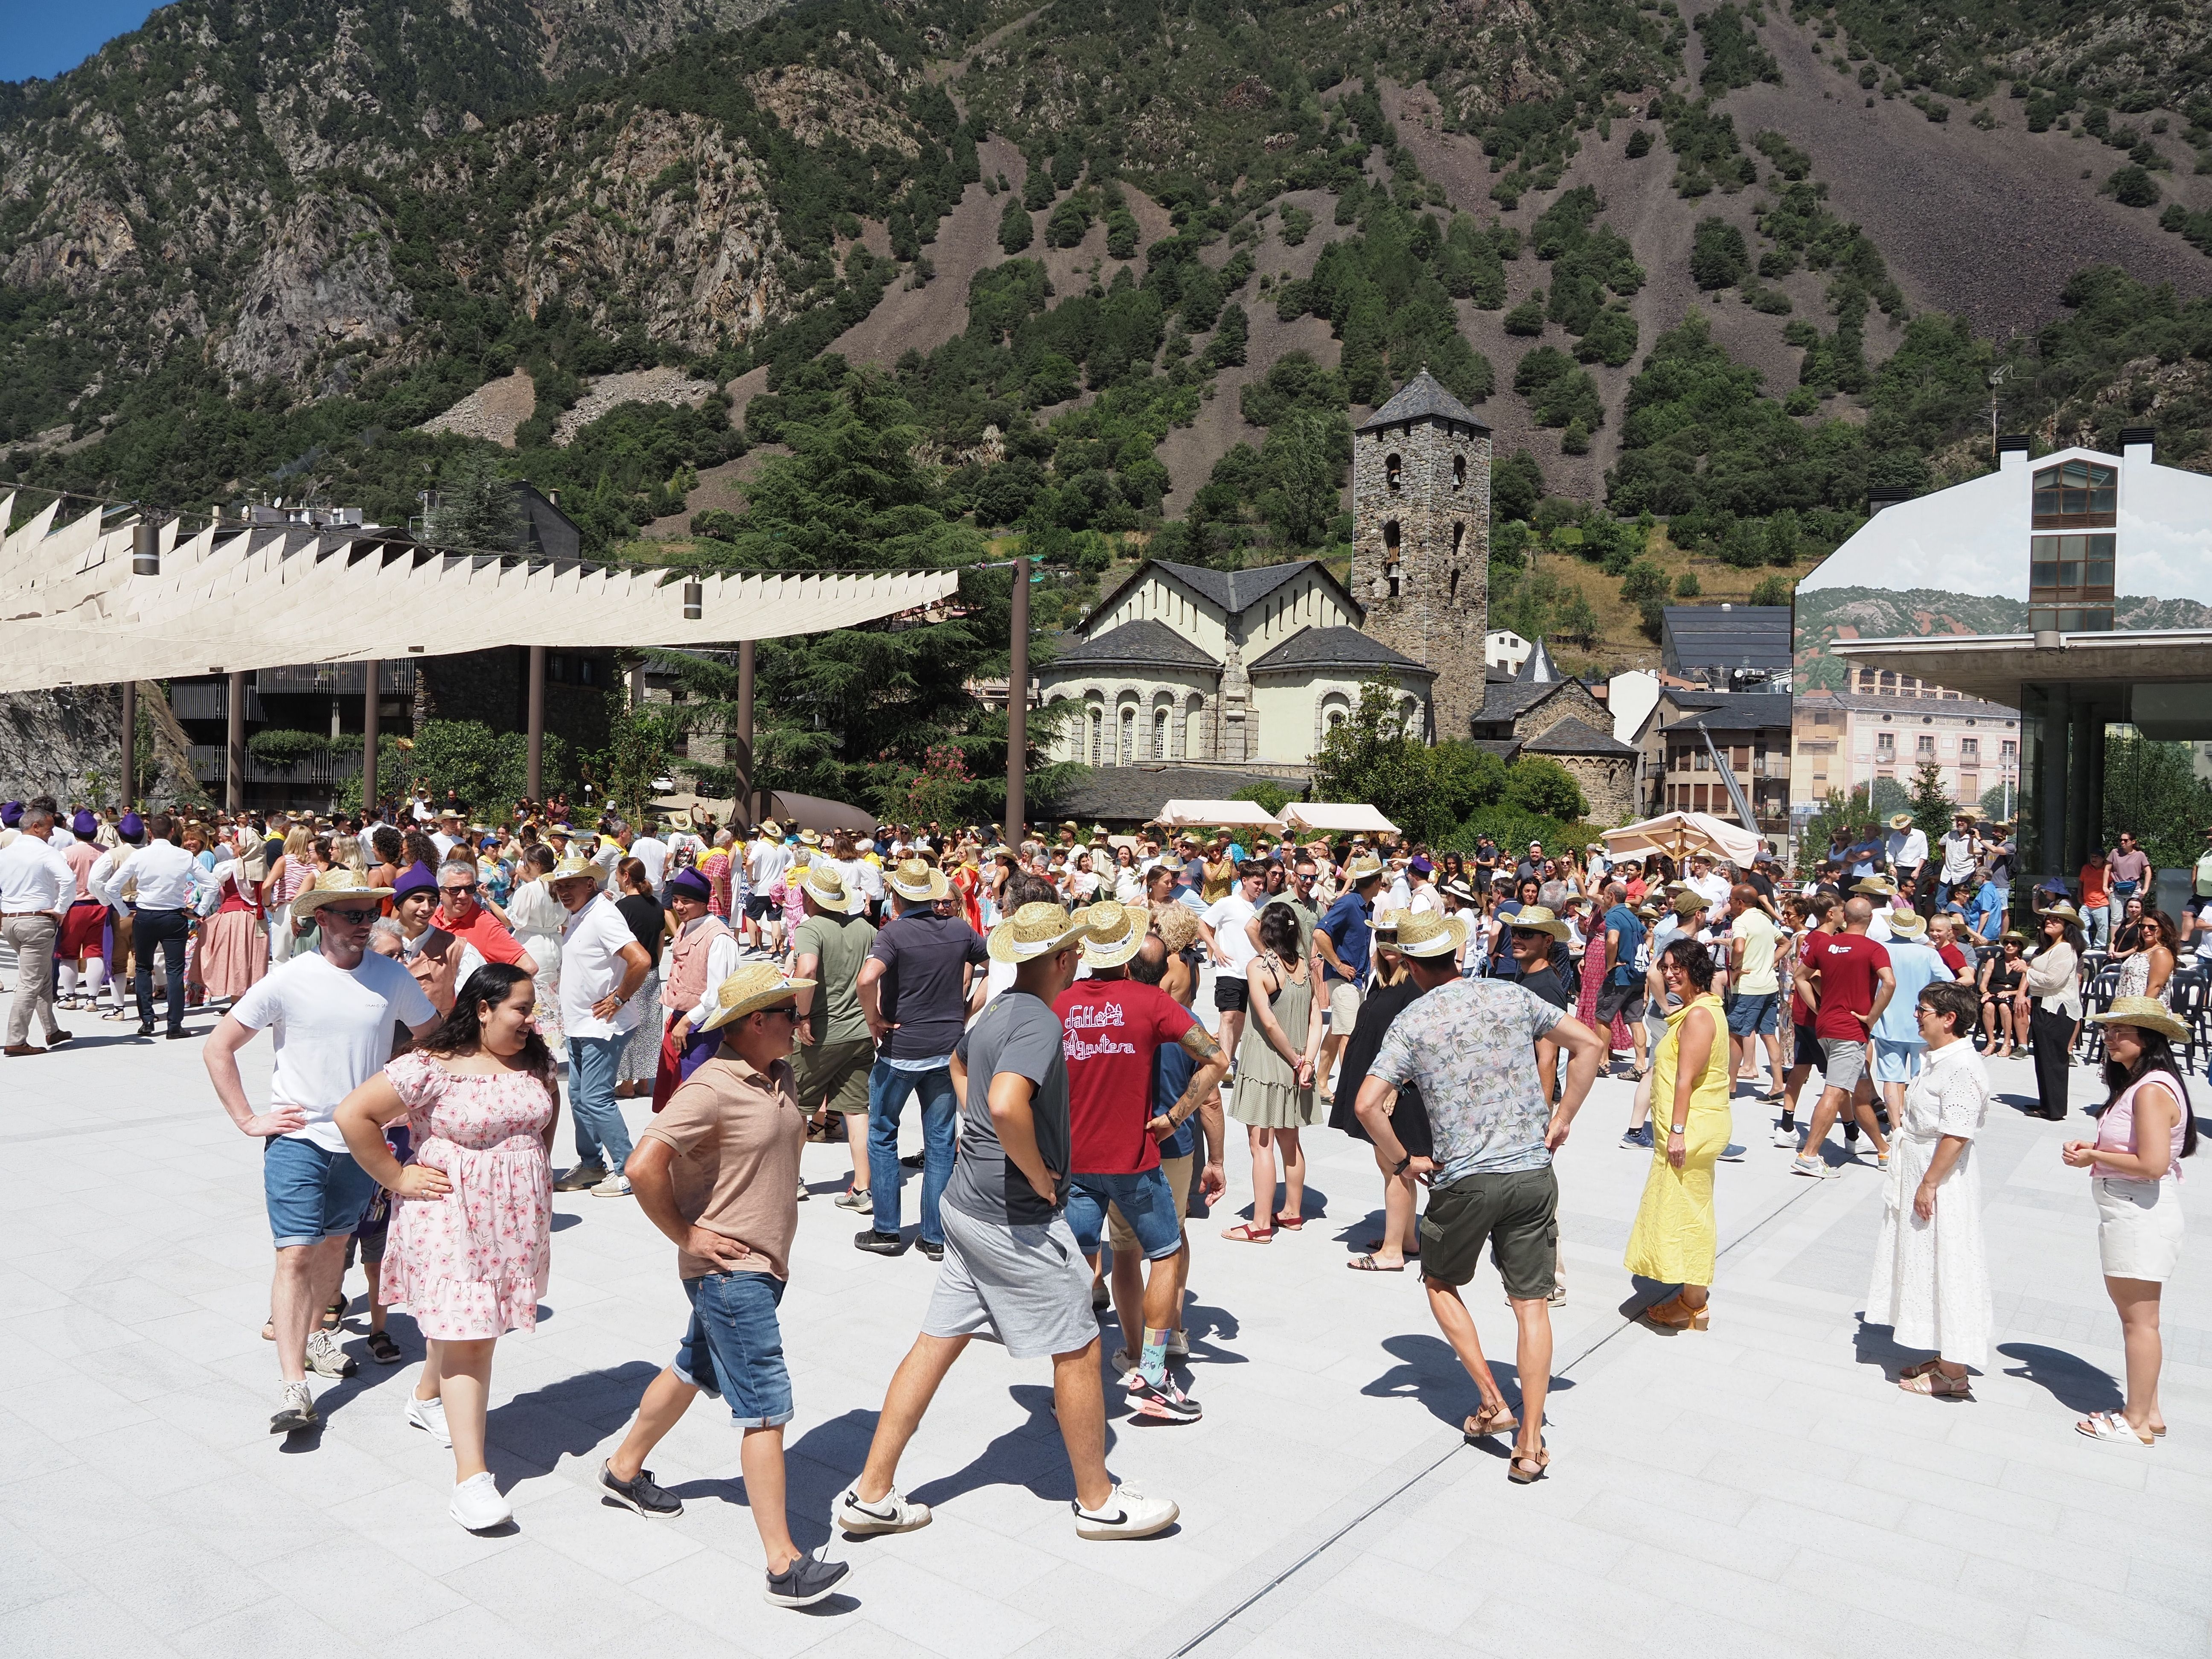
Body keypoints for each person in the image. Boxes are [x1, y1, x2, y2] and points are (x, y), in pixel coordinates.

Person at [834, 902, 1179, 1542]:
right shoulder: (1041, 1023)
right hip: (1014, 1216)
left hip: (966, 1206)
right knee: (1079, 1346)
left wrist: (977, 1134)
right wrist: (1038, 1172)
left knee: (936, 1341)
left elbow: (961, 1066)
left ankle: (871, 1492)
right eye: (1071, 950)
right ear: (1058, 959)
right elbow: (1005, 1100)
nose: (1077, 957)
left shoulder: (997, 1010)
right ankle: (1098, 1502)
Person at [598, 963, 850, 1605]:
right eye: (789, 1015)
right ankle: (784, 1564)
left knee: (692, 1368)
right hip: (729, 1273)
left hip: (764, 1267)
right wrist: (686, 1235)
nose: (801, 1023)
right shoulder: (710, 1088)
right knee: (767, 1403)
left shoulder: (780, 1074)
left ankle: (623, 1470)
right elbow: (643, 1164)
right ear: (755, 1023)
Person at [1354, 908, 1604, 1481]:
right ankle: (1532, 1442)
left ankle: (1492, 1401)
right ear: (1458, 955)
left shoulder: (1413, 1022)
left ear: (1412, 965)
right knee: (1531, 1305)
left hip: (1464, 1178)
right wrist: (1563, 1116)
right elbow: (1588, 1043)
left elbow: (1368, 1105)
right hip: (1530, 1171)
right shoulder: (1512, 998)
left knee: (1440, 1281)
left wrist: (1402, 1160)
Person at [204, 869, 440, 1433]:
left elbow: (433, 1037)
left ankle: (316, 1338)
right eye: (353, 915)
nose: (366, 925)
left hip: (362, 1143)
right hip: (298, 1139)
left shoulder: (392, 976)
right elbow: (219, 1048)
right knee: (296, 1255)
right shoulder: (289, 979)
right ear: (322, 919)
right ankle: (294, 1387)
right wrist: (248, 1119)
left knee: (336, 1246)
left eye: (371, 915)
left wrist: (403, 1094)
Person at [332, 963, 557, 1530]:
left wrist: (530, 1169)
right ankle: (471, 1480)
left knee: (473, 1324)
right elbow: (352, 1114)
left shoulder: (533, 1058)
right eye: (522, 1009)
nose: (532, 1020)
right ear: (483, 1008)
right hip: (451, 1218)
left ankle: (427, 1397)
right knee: (474, 1338)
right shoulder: (431, 1066)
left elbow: (543, 1118)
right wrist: (396, 1176)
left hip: (513, 1222)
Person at [1054, 901, 1228, 1420]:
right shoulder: (1150, 1003)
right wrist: (1176, 1117)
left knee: (1078, 1272)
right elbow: (1216, 1058)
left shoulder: (1060, 1005)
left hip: (1075, 1164)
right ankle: (1153, 1377)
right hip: (1133, 1162)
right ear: (1129, 953)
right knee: (1167, 1255)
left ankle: (1070, 1388)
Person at [2070, 996, 2199, 1447]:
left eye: (2121, 1031)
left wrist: (2094, 1155)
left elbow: (2152, 1163)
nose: (2109, 1037)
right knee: (2140, 1319)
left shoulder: (2149, 1089)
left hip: (2137, 1210)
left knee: (2139, 1323)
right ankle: (2152, 1412)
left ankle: (2136, 1421)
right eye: (2108, 1029)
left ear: (2148, 1038)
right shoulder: (2148, 1083)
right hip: (2133, 1208)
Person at [1863, 979, 1993, 1400]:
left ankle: (1955, 1371)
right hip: (1923, 1169)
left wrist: (1929, 1183)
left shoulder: (1962, 1067)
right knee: (1926, 1262)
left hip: (1943, 1181)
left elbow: (1957, 1134)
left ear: (1949, 1019)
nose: (1917, 1016)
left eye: (1924, 1010)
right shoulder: (1937, 1059)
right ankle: (1944, 1354)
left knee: (1948, 1261)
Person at [855, 859, 989, 1257]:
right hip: (947, 1049)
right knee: (941, 1141)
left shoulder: (893, 933)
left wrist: (874, 1019)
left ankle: (887, 1230)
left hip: (902, 1050)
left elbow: (866, 979)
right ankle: (934, 1236)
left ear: (897, 896)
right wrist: (968, 1009)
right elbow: (997, 964)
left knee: (881, 1134)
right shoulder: (961, 930)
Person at [1121, 917, 1228, 1353]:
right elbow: (1212, 1100)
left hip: (1129, 1147)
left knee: (1126, 1250)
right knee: (1174, 1238)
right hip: (1178, 1147)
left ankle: (1134, 1348)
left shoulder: (1117, 1016)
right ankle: (1174, 1332)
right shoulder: (1185, 1021)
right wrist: (1217, 1160)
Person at [1624, 937, 1729, 1332]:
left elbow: (1686, 1079)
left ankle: (1694, 1305)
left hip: (1692, 1129)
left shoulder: (1700, 1017)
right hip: (1689, 1126)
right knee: (1684, 1211)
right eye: (1666, 967)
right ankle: (1690, 1297)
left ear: (1696, 970)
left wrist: (1679, 1132)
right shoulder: (1697, 1010)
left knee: (1692, 1216)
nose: (1669, 973)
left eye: (1677, 967)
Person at [549, 853, 654, 1197]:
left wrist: (620, 998)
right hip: (582, 1025)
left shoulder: (603, 916)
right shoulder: (582, 914)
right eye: (559, 886)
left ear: (590, 884)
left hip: (602, 1027)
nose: (563, 891)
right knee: (579, 1096)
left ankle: (628, 1169)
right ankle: (593, 1165)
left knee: (594, 1098)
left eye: (570, 885)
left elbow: (641, 960)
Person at [1221, 903, 1324, 1241]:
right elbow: (1315, 1018)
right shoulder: (1307, 971)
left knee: (1260, 1144)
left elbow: (1267, 1020)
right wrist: (1308, 1060)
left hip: (1268, 1063)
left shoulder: (1259, 967)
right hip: (1298, 1065)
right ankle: (1293, 1213)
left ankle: (1261, 1223)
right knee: (1290, 1141)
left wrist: (1296, 1061)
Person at [1331, 923, 1431, 1272]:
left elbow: (1419, 1044)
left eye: (1396, 938)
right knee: (1393, 1169)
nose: (1388, 944)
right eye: (1383, 936)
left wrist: (1392, 1087)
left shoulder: (1414, 985)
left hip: (1395, 1092)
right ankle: (1405, 1239)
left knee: (1395, 1169)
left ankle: (1392, 1253)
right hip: (1375, 1084)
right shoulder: (1382, 979)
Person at [787, 863, 877, 1205]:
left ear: (809, 896)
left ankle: (790, 1179)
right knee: (857, 1111)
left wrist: (804, 1015)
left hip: (823, 1032)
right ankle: (862, 1187)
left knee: (797, 1107)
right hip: (860, 1032)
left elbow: (807, 968)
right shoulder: (865, 929)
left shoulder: (811, 928)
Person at [1791, 897, 1894, 1176]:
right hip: (1850, 1031)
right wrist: (1872, 1017)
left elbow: (1800, 976)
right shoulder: (1874, 949)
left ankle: (1883, 1149)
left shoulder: (1825, 945)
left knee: (1859, 1091)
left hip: (1826, 1027)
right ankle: (1809, 1155)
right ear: (1871, 920)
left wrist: (1818, 1007)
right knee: (1836, 1091)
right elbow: (1890, 982)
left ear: (1845, 917)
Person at [0, 803, 76, 1056]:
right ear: (36, 827)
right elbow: (68, 880)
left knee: (42, 976)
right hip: (37, 921)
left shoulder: (6, 852)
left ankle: (51, 1029)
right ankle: (16, 1039)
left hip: (11, 921)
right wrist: (62, 909)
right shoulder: (46, 852)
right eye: (49, 829)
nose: (52, 834)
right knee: (30, 982)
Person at [1870, 910, 1954, 1122]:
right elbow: (1949, 982)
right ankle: (1915, 1120)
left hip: (1887, 1023)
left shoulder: (1879, 950)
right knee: (1919, 1078)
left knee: (1890, 1078)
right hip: (1921, 1024)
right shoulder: (1928, 954)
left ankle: (1896, 1125)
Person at [1313, 851, 1384, 1101]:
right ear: (1375, 881)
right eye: (1380, 880)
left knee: (1336, 1033)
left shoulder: (1366, 906)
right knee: (1349, 1036)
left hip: (1354, 980)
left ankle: (1320, 1084)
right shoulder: (1349, 903)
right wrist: (1339, 965)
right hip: (1344, 980)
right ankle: (1350, 1092)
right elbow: (1320, 933)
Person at [1199, 860, 1265, 1073]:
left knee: (1241, 1020)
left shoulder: (1263, 906)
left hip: (1254, 972)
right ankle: (1225, 1063)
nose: (1260, 888)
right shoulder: (1227, 903)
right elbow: (1202, 923)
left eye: (1263, 884)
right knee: (1228, 1015)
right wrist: (1215, 948)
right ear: (1244, 881)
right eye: (1256, 883)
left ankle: (1232, 1055)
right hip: (1229, 969)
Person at [613, 858, 670, 1100]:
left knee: (627, 1025)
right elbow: (659, 943)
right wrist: (654, 966)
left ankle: (626, 1083)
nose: (615, 879)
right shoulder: (657, 907)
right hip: (652, 972)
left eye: (617, 874)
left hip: (629, 972)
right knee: (649, 1027)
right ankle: (644, 1082)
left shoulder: (620, 908)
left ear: (626, 876)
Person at [2023, 904, 2085, 1122]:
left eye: (2056, 920)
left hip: (2056, 1010)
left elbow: (2053, 981)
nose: (2049, 922)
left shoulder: (2064, 949)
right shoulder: (2051, 948)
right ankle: (2047, 1104)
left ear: (2067, 927)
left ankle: (2055, 1109)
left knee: (2053, 1059)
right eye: (2048, 919)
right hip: (2045, 1005)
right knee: (2043, 1057)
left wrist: (2027, 972)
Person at [1724, 884, 1784, 1100]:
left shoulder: (1741, 921)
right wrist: (1770, 962)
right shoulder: (1765, 919)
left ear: (1740, 903)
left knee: (1736, 1034)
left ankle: (1730, 1085)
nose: (1729, 903)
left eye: (1731, 900)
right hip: (1769, 985)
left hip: (1749, 987)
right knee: (1768, 1034)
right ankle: (1778, 1085)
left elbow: (1739, 947)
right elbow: (1784, 942)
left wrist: (1735, 968)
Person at [1594, 882, 1649, 1080]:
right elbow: (1648, 935)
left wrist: (1610, 964)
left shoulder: (1615, 916)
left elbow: (1613, 940)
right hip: (1637, 976)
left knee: (1603, 1017)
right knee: (1635, 1020)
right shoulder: (1632, 916)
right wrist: (1639, 956)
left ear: (1611, 896)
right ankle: (1640, 1065)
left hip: (1620, 976)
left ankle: (1602, 1063)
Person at [2115, 909, 2179, 1007]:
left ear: (2164, 929)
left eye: (2152, 927)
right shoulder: (2141, 951)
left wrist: (2141, 1013)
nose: (2146, 930)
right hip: (2126, 1008)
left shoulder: (2161, 953)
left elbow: (2155, 987)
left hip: (2146, 1012)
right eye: (2142, 926)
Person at [2104, 830, 2151, 943]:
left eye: (2126, 840)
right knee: (2116, 919)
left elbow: (2148, 871)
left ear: (2133, 842)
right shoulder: (2115, 853)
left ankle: (2133, 943)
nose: (2123, 842)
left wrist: (2145, 889)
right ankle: (2114, 944)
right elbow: (2107, 869)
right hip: (2116, 889)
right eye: (2121, 840)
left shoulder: (2140, 855)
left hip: (2134, 889)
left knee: (2133, 916)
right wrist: (2105, 887)